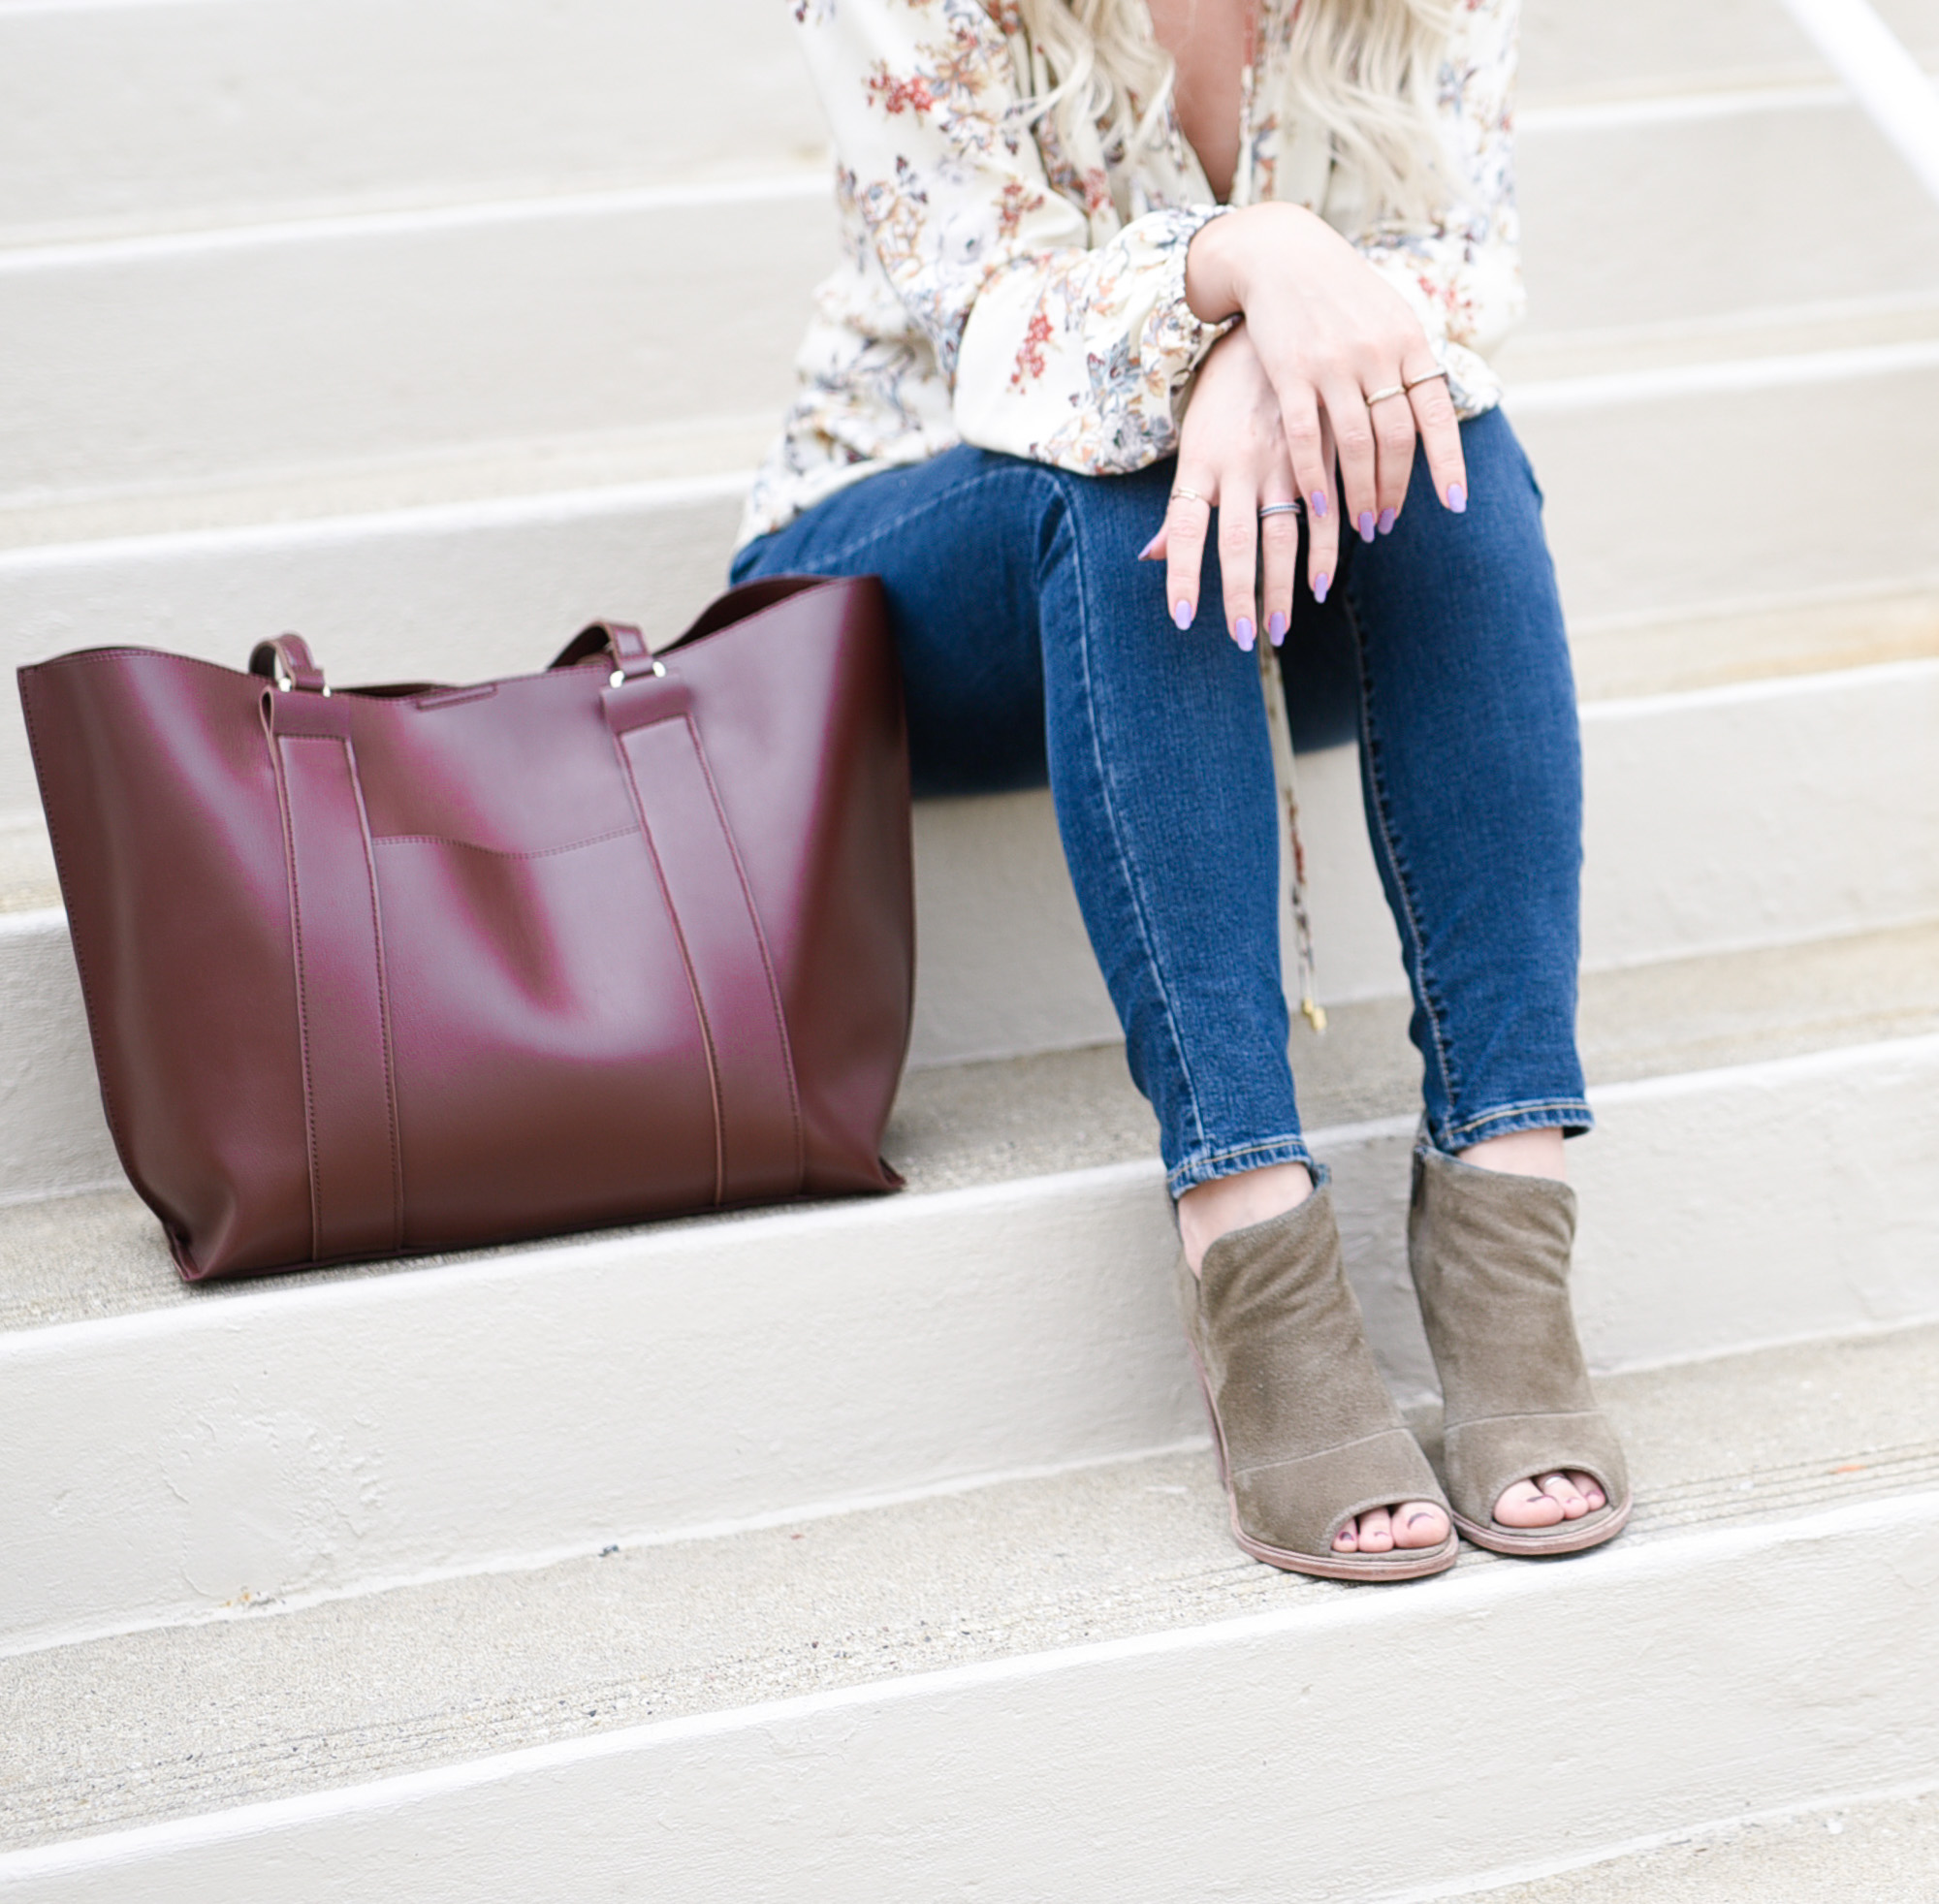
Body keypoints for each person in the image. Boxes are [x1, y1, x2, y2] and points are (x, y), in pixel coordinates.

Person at [732, 0, 1629, 1579]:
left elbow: (1462, 260)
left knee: (1460, 459)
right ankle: (1247, 1224)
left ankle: (1507, 1202)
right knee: (1120, 477)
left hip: (1269, 523)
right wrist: (1235, 280)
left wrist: (1258, 364)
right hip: (908, 556)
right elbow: (991, 323)